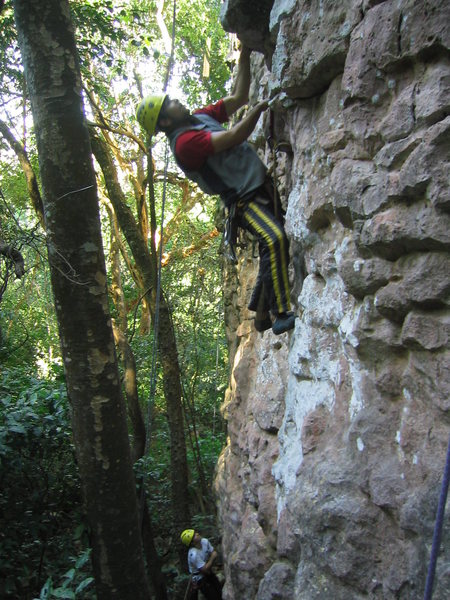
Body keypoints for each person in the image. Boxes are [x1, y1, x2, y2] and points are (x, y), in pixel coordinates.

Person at [136, 46, 295, 335]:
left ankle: (260, 315)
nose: (177, 101)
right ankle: (280, 312)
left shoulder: (199, 117)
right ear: (165, 121)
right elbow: (235, 135)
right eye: (170, 103)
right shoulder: (185, 143)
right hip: (245, 200)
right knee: (275, 239)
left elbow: (238, 98)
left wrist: (245, 54)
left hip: (258, 187)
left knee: (269, 246)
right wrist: (259, 110)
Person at [180, 529, 222, 600]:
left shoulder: (205, 541)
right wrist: (212, 558)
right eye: (194, 536)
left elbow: (212, 552)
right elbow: (204, 569)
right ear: (192, 542)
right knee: (213, 596)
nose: (197, 534)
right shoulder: (193, 554)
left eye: (195, 533)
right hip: (199, 577)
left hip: (207, 571)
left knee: (219, 589)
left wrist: (211, 560)